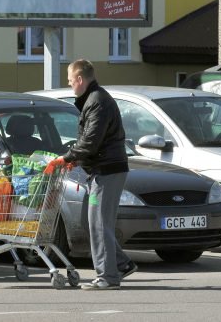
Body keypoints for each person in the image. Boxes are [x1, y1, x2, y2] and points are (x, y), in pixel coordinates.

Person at [48, 59, 137, 290]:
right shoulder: (94, 99)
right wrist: (75, 158)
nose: (70, 86)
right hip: (103, 169)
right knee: (93, 223)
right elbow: (91, 140)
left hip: (107, 171)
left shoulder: (96, 101)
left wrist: (66, 158)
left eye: (70, 82)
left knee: (98, 224)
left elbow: (90, 141)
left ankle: (107, 277)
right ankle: (120, 264)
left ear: (79, 79)